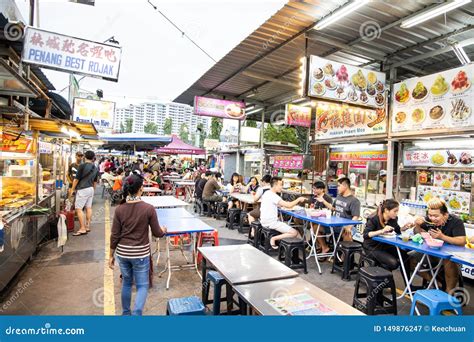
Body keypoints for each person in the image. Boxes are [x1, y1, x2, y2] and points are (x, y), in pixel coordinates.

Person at [109, 174, 167, 315]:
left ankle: (126, 313)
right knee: (142, 286)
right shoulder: (148, 208)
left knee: (127, 283)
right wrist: (164, 230)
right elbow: (157, 233)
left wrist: (111, 255)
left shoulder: (119, 209)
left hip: (122, 254)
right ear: (141, 189)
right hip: (140, 254)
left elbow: (115, 235)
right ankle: (136, 315)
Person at [414, 198, 466, 292]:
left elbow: (462, 241)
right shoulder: (428, 219)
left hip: (451, 254)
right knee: (409, 258)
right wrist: (417, 225)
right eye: (430, 215)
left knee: (449, 260)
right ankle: (436, 284)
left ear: (445, 214)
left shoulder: (456, 221)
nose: (432, 218)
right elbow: (418, 233)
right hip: (432, 252)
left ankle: (449, 293)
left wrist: (442, 237)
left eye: (436, 216)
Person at [260, 177, 306, 249]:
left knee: (295, 232)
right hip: (271, 222)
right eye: (280, 185)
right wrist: (298, 199)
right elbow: (289, 205)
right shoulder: (274, 196)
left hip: (264, 220)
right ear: (275, 185)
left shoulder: (267, 193)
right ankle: (274, 239)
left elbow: (279, 204)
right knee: (295, 232)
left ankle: (301, 246)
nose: (282, 187)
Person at [363, 199, 409, 271]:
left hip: (385, 246)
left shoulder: (393, 219)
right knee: (394, 263)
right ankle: (382, 278)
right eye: (395, 211)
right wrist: (382, 231)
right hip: (372, 247)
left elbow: (397, 230)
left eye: (397, 211)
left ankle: (407, 282)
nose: (396, 213)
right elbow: (366, 235)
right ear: (387, 210)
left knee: (405, 256)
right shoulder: (374, 219)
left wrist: (404, 228)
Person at [318, 177, 361, 243]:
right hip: (335, 224)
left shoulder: (354, 201)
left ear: (345, 186)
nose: (337, 188)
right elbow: (333, 208)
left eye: (339, 186)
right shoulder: (339, 197)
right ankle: (325, 248)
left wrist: (349, 226)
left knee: (347, 233)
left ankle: (344, 252)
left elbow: (356, 216)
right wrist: (323, 201)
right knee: (316, 227)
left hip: (346, 226)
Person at [69, 151, 100, 236]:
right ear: (93, 157)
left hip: (83, 189)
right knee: (88, 208)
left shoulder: (82, 166)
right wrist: (93, 190)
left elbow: (76, 179)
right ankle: (87, 226)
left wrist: (72, 189)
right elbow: (95, 182)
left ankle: (82, 228)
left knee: (78, 209)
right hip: (91, 189)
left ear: (85, 157)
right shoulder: (95, 167)